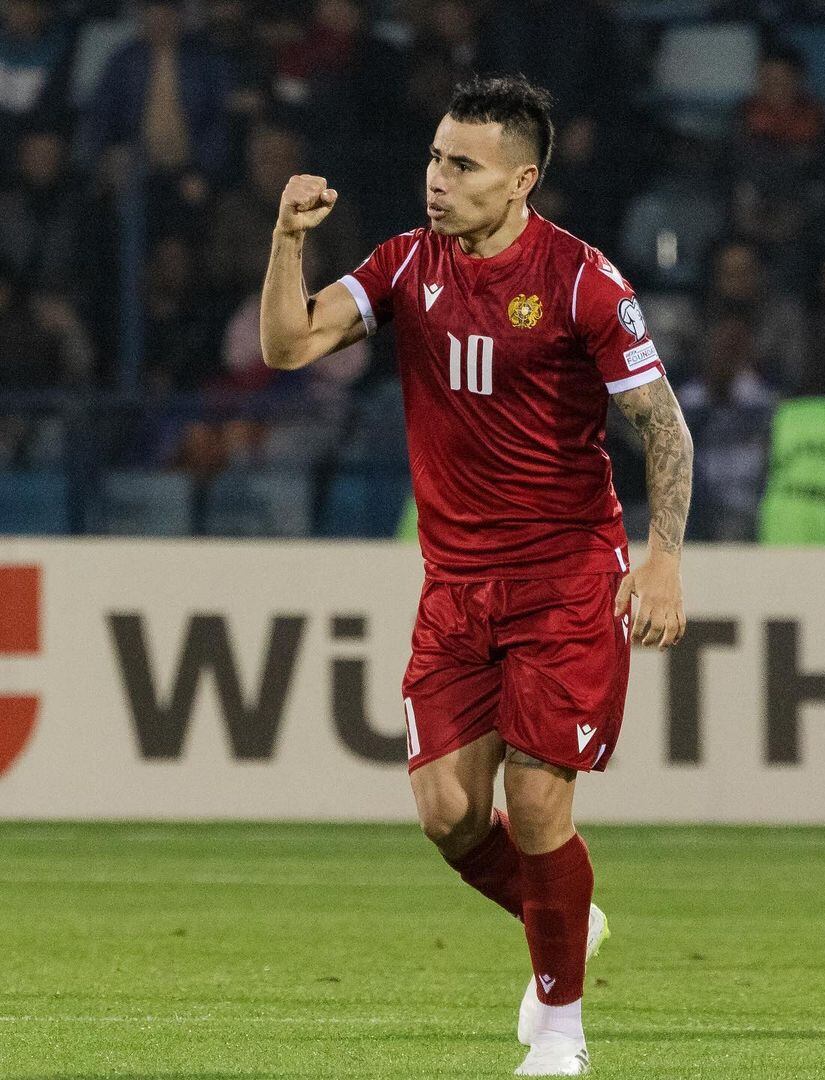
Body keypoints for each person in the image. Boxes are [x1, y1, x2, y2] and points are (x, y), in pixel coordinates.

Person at [259, 75, 693, 1076]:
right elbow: (288, 345)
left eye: (463, 166)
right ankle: (565, 922)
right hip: (456, 586)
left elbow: (662, 425)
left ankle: (564, 1029)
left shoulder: (585, 283)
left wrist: (663, 555)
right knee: (450, 816)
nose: (437, 182)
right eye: (433, 159)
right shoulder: (406, 266)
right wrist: (288, 238)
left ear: (522, 180)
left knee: (541, 806)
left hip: (566, 576)